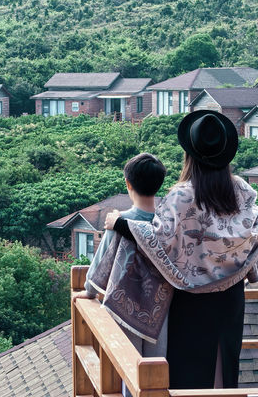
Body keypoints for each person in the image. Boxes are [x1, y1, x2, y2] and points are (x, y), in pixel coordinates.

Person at [105, 110, 258, 390]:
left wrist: (120, 223)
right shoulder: (240, 189)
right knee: (224, 371)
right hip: (231, 298)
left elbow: (159, 240)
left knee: (188, 376)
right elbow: (253, 234)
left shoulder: (182, 195)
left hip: (190, 301)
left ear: (189, 154)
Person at [72, 153, 170, 390]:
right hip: (160, 306)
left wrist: (89, 291)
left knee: (130, 367)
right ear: (160, 184)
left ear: (128, 183)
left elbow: (102, 259)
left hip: (125, 302)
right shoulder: (166, 223)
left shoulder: (120, 221)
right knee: (157, 366)